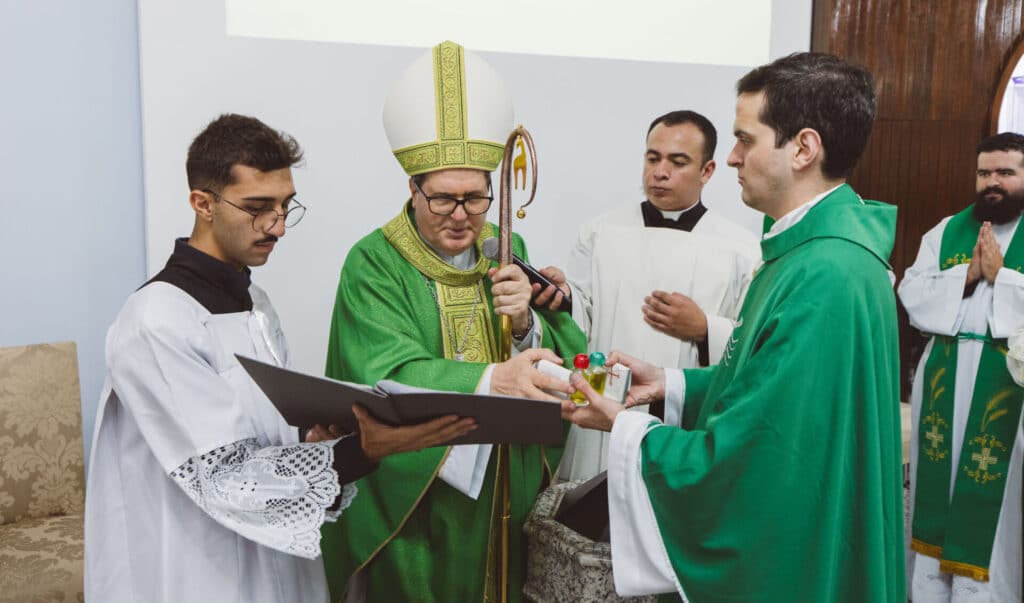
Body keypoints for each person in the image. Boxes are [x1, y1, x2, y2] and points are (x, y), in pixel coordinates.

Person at [84, 114, 474, 602]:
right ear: (202, 204)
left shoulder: (256, 304)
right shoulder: (156, 321)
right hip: (195, 561)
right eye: (257, 208)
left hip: (269, 553)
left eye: (286, 206)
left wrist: (312, 436)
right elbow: (223, 476)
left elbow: (260, 431)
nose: (279, 226)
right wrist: (362, 451)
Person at [566, 52, 906, 601]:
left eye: (746, 139)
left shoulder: (826, 273)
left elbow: (759, 455)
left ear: (803, 148)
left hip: (797, 556)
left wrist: (624, 428)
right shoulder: (803, 253)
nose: (731, 158)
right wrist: (672, 385)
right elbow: (770, 389)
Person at [320, 41, 586, 602]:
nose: (462, 216)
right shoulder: (374, 262)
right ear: (413, 189)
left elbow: (561, 352)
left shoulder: (506, 248)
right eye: (443, 200)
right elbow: (384, 371)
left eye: (476, 198)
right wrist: (494, 380)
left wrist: (525, 325)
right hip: (419, 501)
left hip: (505, 486)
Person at [535, 109, 759, 480]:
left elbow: (753, 342)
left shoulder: (741, 249)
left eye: (677, 162)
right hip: (601, 414)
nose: (660, 172)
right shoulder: (601, 232)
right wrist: (565, 296)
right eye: (653, 158)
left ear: (707, 171)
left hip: (682, 425)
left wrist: (705, 329)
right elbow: (580, 319)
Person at [898, 131, 1024, 601]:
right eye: (984, 173)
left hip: (1009, 384)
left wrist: (1001, 277)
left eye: (1006, 172)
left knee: (999, 504)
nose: (993, 182)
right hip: (944, 382)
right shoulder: (946, 231)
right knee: (937, 494)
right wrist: (967, 275)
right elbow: (911, 294)